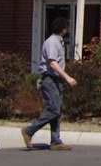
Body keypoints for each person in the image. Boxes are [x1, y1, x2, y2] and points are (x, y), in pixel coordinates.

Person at [21, 17, 78, 151]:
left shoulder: (58, 41)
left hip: (56, 80)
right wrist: (67, 77)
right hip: (50, 79)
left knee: (57, 111)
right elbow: (52, 63)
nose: (67, 29)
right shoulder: (52, 42)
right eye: (66, 27)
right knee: (53, 109)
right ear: (63, 29)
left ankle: (56, 141)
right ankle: (29, 130)